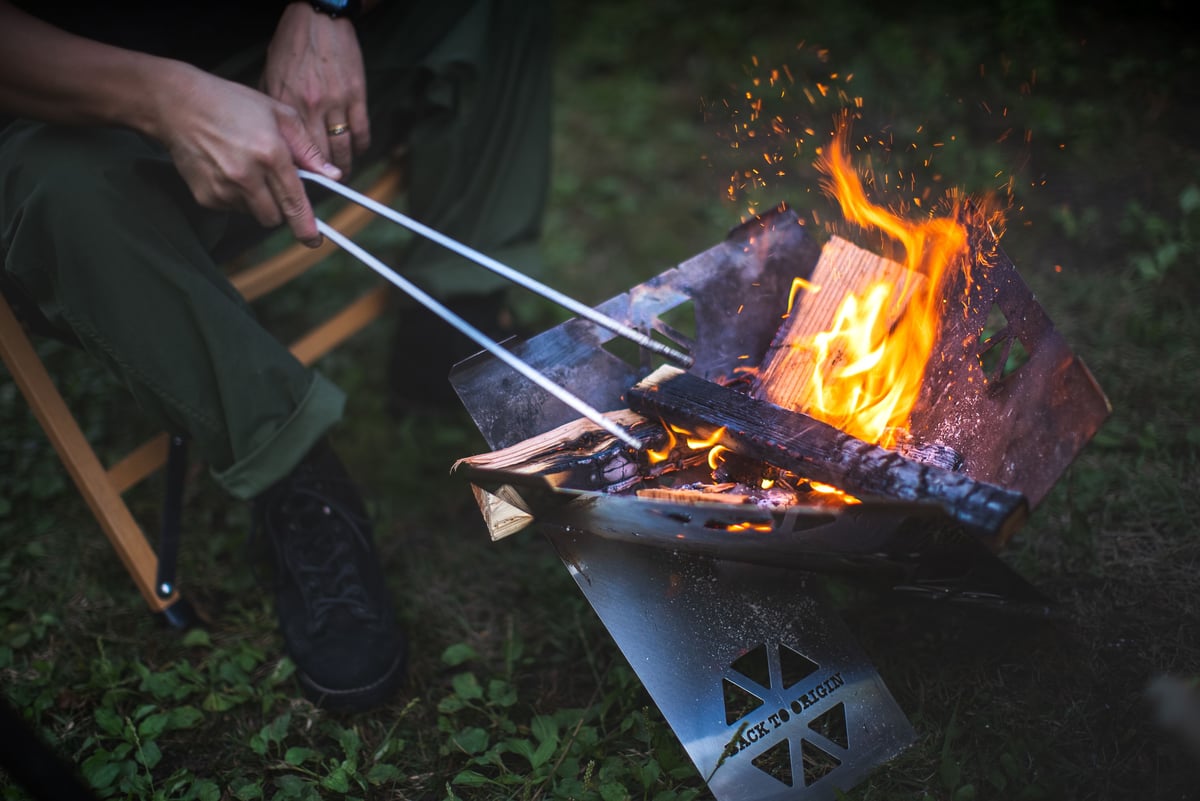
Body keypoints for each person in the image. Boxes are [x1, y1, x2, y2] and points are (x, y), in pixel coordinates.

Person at [0, 0, 551, 712]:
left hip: (271, 69)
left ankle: (452, 327)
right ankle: (293, 477)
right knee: (56, 194)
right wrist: (165, 100)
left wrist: (326, 7)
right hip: (75, 122)